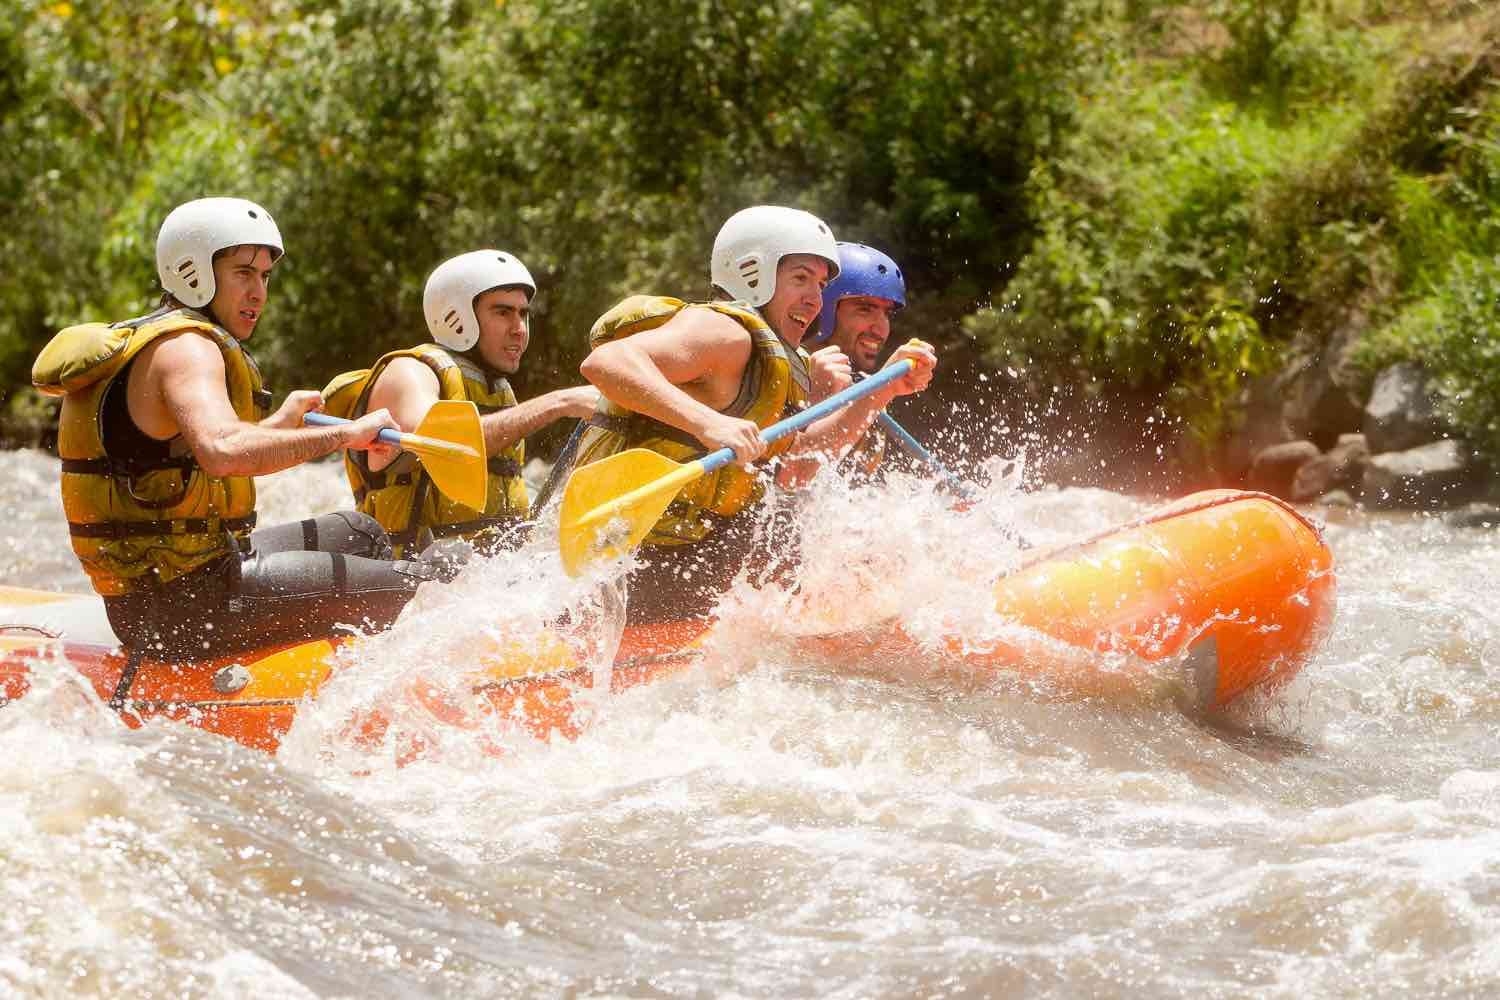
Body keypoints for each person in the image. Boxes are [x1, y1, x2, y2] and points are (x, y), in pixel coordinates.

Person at [33, 197, 446, 681]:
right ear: (193, 272)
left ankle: (339, 656)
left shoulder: (164, 339)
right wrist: (345, 435)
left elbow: (199, 455)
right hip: (180, 612)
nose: (258, 292)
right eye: (243, 273)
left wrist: (286, 423)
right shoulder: (187, 349)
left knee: (364, 532)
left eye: (265, 276)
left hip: (182, 585)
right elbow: (223, 451)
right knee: (424, 583)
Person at [572, 206, 936, 625]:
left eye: (819, 284)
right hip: (629, 566)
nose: (814, 299)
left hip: (688, 557)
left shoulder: (781, 362)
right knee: (796, 538)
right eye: (800, 278)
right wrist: (709, 423)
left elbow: (796, 469)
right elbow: (606, 363)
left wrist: (882, 392)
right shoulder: (724, 332)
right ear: (752, 273)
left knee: (820, 538)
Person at [321, 250, 596, 558]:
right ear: (457, 316)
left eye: (523, 313)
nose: (519, 328)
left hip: (477, 580)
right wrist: (558, 403)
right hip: (408, 576)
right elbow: (438, 444)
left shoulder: (496, 390)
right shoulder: (410, 372)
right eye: (503, 312)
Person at [804, 241, 912, 480]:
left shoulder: (863, 388)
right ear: (823, 312)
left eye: (887, 313)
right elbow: (789, 479)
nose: (881, 329)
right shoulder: (775, 371)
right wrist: (813, 397)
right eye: (865, 309)